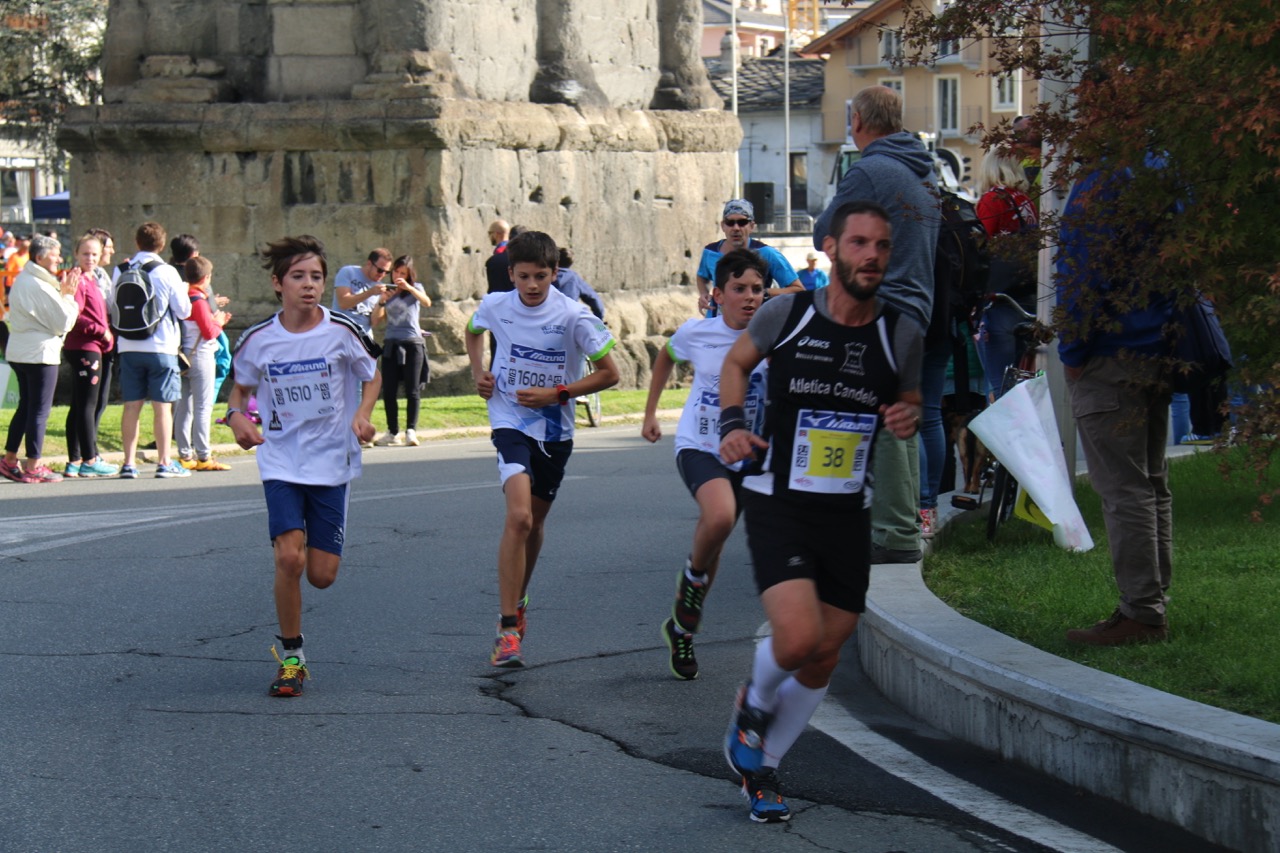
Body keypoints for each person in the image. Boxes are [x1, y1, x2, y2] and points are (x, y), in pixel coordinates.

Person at [719, 201, 923, 823]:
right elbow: (736, 364)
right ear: (831, 248)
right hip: (779, 499)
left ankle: (763, 769)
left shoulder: (900, 331)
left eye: (881, 246)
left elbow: (910, 402)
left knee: (826, 653)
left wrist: (907, 415)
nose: (872, 256)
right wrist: (732, 424)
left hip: (846, 511)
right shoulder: (788, 313)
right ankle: (753, 707)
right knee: (798, 638)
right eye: (859, 243)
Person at [226, 235, 381, 696]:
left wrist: (362, 414)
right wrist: (236, 417)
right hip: (281, 460)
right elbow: (240, 391)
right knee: (289, 558)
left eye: (316, 276)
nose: (309, 285)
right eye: (298, 276)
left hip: (332, 462)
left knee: (321, 575)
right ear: (279, 284)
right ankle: (291, 657)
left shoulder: (342, 330)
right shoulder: (259, 339)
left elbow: (373, 374)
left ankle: (310, 536)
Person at [465, 230, 619, 668]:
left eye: (541, 276)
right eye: (524, 276)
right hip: (510, 419)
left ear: (555, 273)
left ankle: (519, 599)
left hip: (555, 430)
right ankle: (507, 629)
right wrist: (478, 372)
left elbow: (610, 373)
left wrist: (559, 393)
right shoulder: (496, 304)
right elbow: (472, 331)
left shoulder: (573, 315)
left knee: (534, 524)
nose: (532, 285)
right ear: (511, 274)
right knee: (519, 517)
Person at [813, 85, 939, 564]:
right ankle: (902, 525)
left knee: (879, 420)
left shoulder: (870, 170)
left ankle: (894, 536)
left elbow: (825, 231)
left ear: (859, 122)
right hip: (917, 306)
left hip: (880, 307)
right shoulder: (922, 169)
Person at [1058, 163, 1174, 646]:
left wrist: (1073, 353)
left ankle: (1142, 613)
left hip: (1111, 354)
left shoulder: (1101, 182)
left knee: (1126, 488)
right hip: (1156, 347)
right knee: (1149, 484)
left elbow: (1083, 276)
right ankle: (1150, 602)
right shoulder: (1158, 167)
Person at [641, 248, 767, 680]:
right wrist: (650, 413)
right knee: (719, 516)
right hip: (700, 444)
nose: (749, 297)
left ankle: (681, 630)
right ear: (718, 294)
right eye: (739, 289)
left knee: (715, 538)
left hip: (747, 452)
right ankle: (691, 581)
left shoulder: (773, 339)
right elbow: (666, 356)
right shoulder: (698, 332)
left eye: (757, 289)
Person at [111, 221, 193, 479]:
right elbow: (184, 311)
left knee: (131, 406)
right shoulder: (167, 271)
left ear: (137, 242)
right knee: (162, 407)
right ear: (162, 244)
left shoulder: (120, 269)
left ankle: (128, 463)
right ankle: (164, 462)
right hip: (161, 346)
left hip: (128, 346)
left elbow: (111, 304)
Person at [1, 235, 79, 484]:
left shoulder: (25, 279)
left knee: (26, 407)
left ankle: (10, 459)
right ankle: (33, 465)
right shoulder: (38, 284)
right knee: (39, 410)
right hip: (40, 353)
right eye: (55, 254)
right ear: (40, 257)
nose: (59, 258)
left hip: (22, 351)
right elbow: (63, 322)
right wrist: (68, 296)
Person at [974, 148, 1040, 403]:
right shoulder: (1026, 201)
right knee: (1024, 384)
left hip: (1000, 299)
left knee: (1000, 388)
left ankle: (1007, 429)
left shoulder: (992, 200)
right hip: (1027, 295)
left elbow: (980, 245)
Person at [61, 235, 118, 478]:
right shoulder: (78, 280)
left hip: (92, 346)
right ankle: (89, 458)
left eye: (94, 254)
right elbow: (75, 315)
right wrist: (101, 331)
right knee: (87, 405)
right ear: (76, 254)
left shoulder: (92, 279)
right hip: (85, 346)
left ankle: (75, 460)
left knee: (79, 404)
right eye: (85, 254)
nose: (91, 258)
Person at [175, 255, 233, 470]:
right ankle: (204, 455)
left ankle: (185, 454)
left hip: (185, 356)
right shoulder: (198, 300)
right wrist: (219, 322)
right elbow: (209, 332)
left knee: (184, 407)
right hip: (200, 355)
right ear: (206, 277)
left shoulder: (183, 296)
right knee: (202, 407)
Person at [695, 200, 801, 316]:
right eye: (730, 222)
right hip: (717, 321)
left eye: (742, 222)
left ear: (751, 226)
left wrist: (765, 293)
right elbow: (701, 276)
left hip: (755, 322)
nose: (736, 228)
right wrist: (704, 293)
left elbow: (798, 289)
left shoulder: (767, 253)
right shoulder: (710, 252)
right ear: (723, 226)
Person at [372, 254, 432, 447]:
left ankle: (411, 431)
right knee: (389, 390)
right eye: (396, 272)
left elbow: (426, 302)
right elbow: (376, 320)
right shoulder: (387, 291)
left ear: (409, 275)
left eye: (402, 273)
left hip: (412, 343)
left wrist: (409, 288)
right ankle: (392, 432)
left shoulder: (416, 288)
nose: (398, 276)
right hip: (391, 343)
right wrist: (382, 301)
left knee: (412, 389)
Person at [87, 229, 118, 432]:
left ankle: (90, 439)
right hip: (94, 341)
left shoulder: (101, 274)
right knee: (92, 399)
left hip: (105, 341)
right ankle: (87, 442)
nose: (112, 252)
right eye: (109, 247)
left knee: (100, 398)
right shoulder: (89, 277)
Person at [331, 248, 393, 334]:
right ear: (369, 263)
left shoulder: (380, 287)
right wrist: (370, 292)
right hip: (341, 330)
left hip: (363, 335)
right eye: (380, 270)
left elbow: (374, 323)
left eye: (386, 272)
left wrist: (382, 301)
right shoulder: (348, 272)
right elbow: (343, 303)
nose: (382, 275)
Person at [553, 247, 605, 320]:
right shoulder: (574, 278)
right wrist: (599, 318)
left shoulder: (544, 277)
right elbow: (594, 299)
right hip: (568, 319)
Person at [484, 219, 512, 295]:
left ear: (496, 234)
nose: (489, 236)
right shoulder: (513, 249)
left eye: (490, 233)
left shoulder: (500, 252)